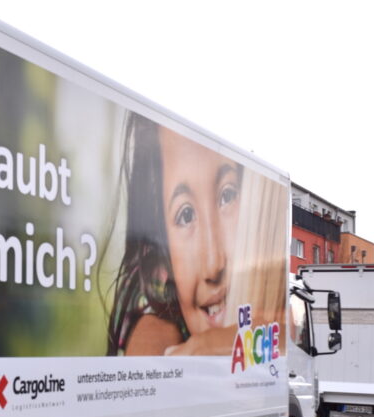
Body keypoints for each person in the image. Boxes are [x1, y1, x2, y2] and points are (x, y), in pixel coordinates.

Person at [106, 113, 287, 356]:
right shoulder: (155, 325)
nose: (214, 265)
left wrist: (214, 343)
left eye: (227, 196)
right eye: (186, 215)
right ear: (165, 250)